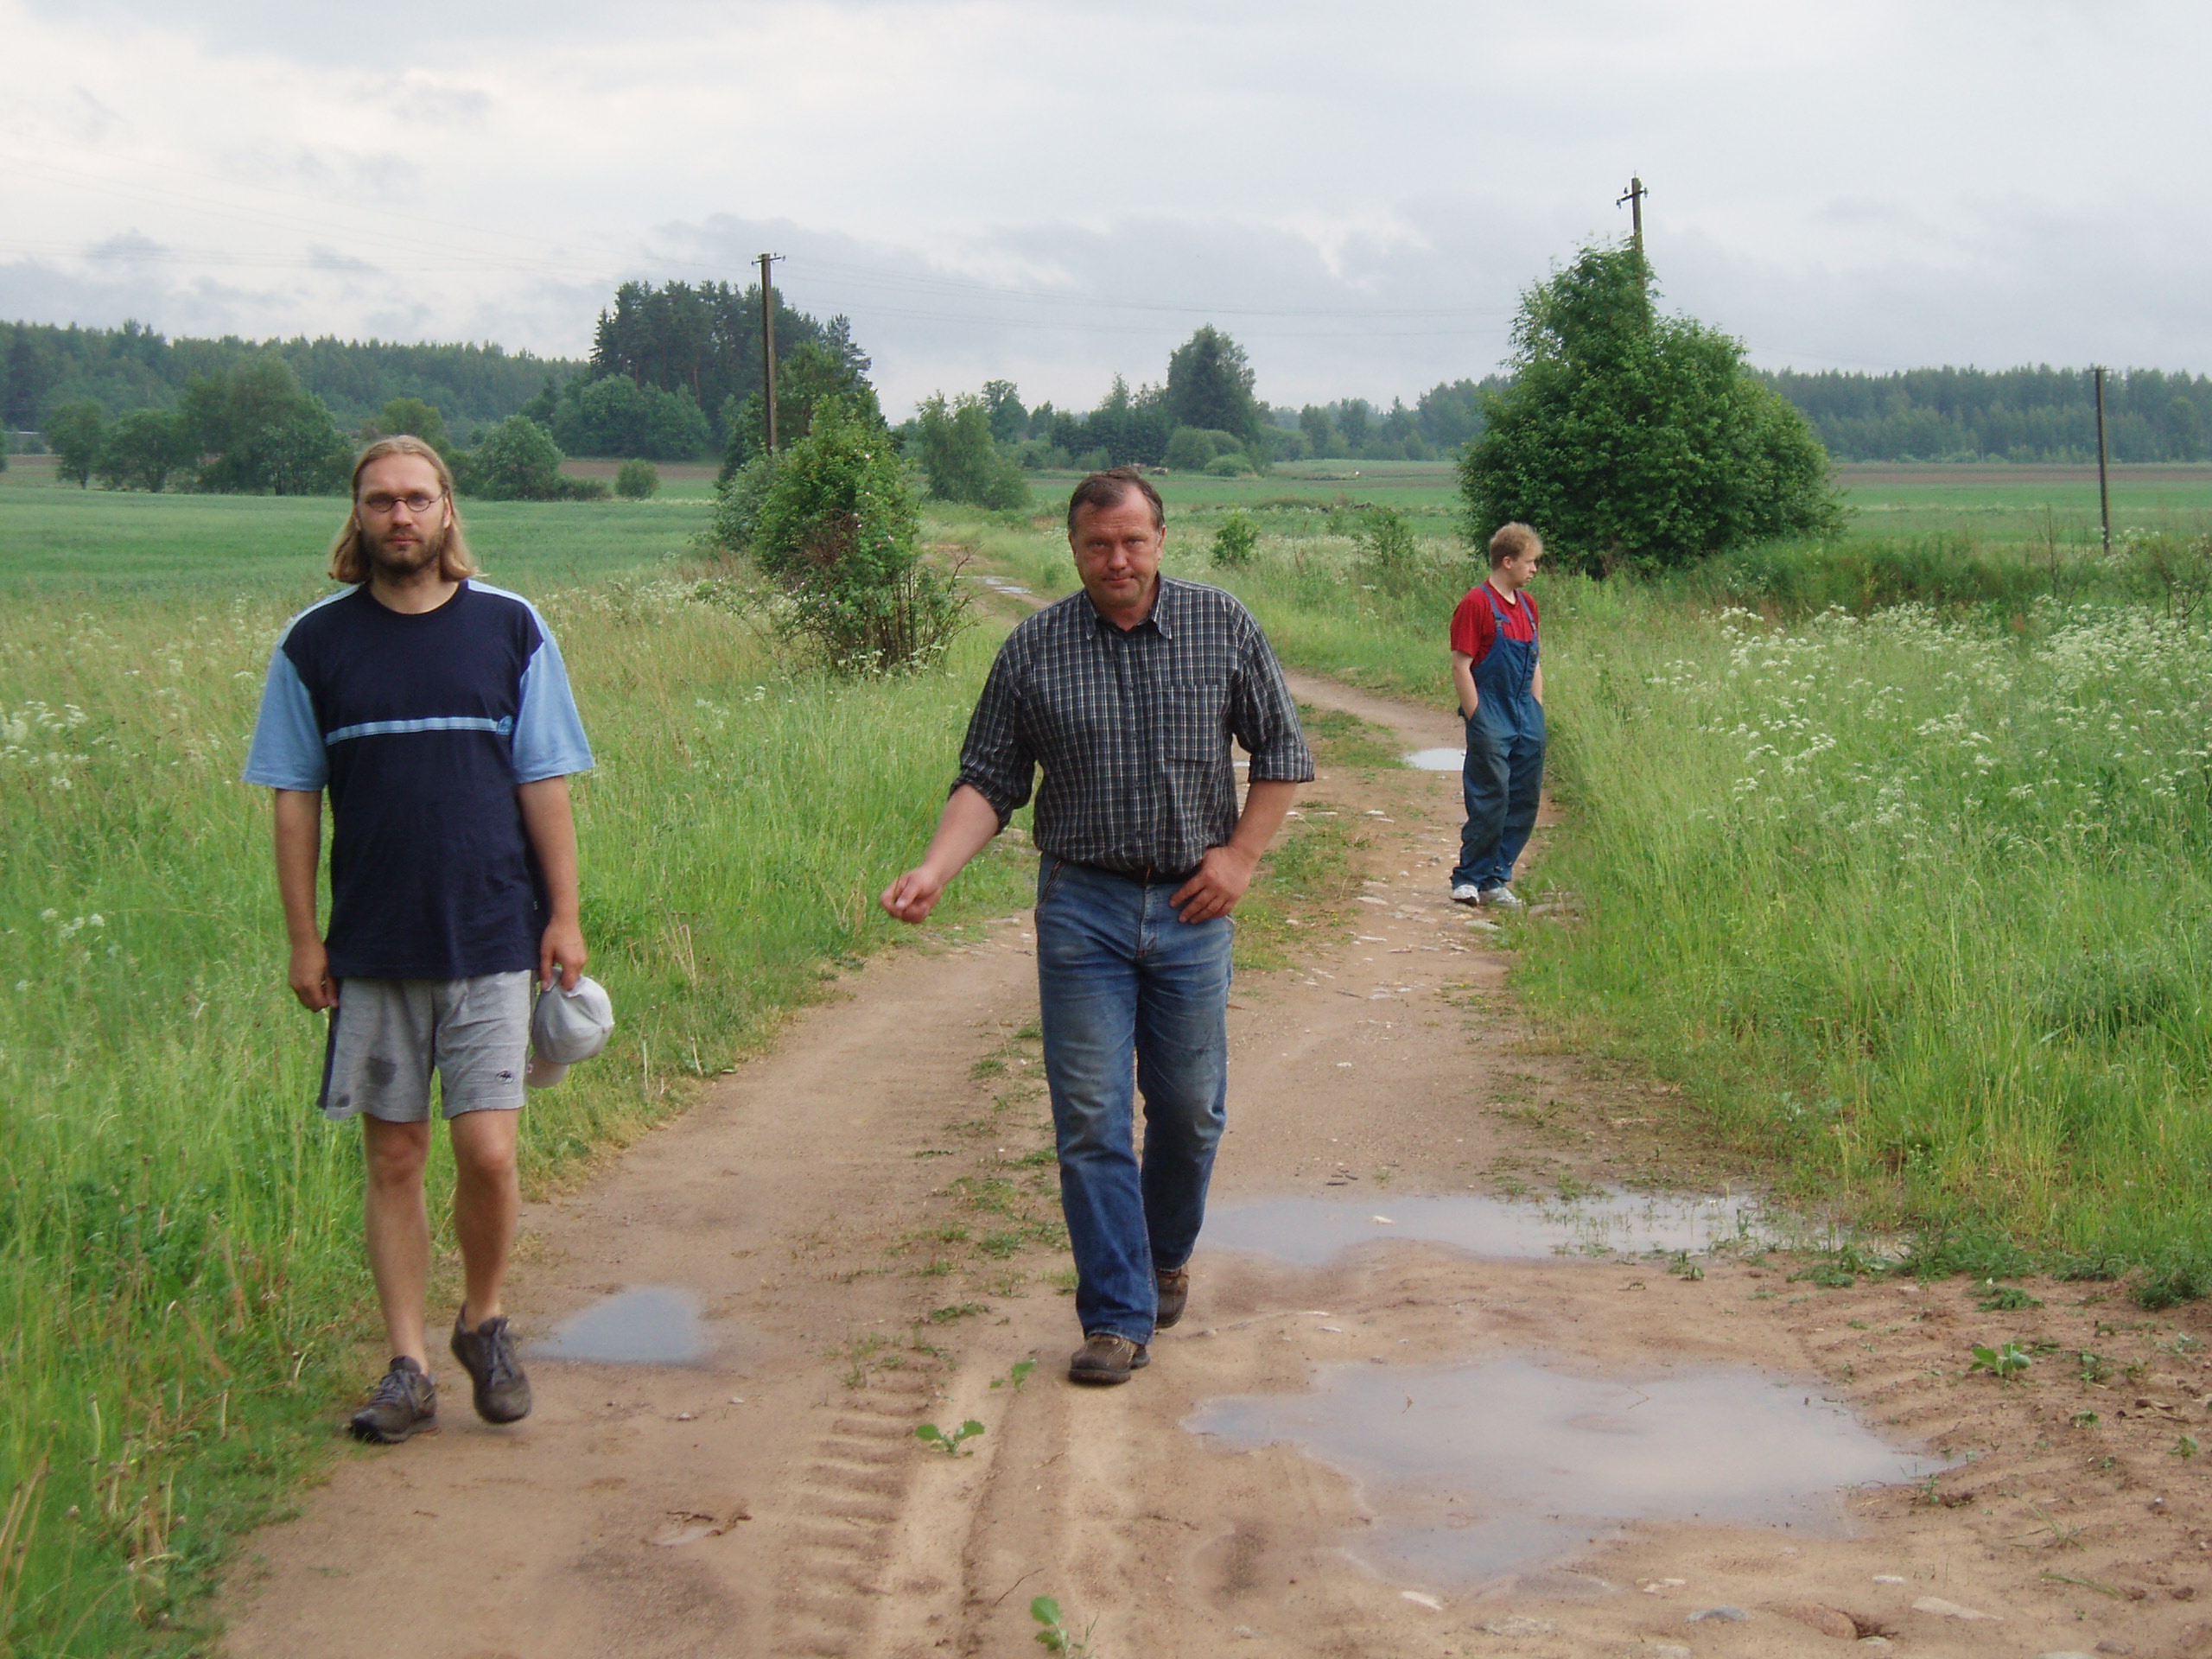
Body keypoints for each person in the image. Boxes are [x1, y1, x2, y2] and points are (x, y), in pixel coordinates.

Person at [881, 468, 1313, 1386]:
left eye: (1132, 541)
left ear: (1160, 539)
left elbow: (1281, 751)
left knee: (1190, 1113)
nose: (1115, 559)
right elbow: (990, 780)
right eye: (1096, 544)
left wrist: (1237, 858)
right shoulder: (1034, 648)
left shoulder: (1221, 624)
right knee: (1090, 1118)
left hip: (1193, 909)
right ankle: (1115, 1314)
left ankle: (1162, 1257)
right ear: (1072, 548)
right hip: (1082, 907)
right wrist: (933, 868)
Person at [243, 435, 594, 1444]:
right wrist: (304, 939)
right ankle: (405, 1367)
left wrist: (563, 916)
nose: (400, 517)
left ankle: (482, 1320)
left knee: (486, 1151)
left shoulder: (511, 628)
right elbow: (294, 804)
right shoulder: (314, 645)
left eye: (417, 500)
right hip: (373, 945)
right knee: (393, 1157)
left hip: (492, 934)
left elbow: (544, 783)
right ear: (356, 517)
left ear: (448, 511)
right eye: (380, 501)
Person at [1448, 522, 1546, 908]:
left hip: (1525, 712)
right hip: (1491, 712)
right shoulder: (1476, 603)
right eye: (1529, 562)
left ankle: (1496, 878)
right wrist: (1478, 718)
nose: (1534, 569)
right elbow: (1461, 665)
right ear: (1507, 562)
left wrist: (1536, 709)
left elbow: (1536, 662)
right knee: (1491, 797)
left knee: (1523, 799)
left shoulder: (1528, 606)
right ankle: (1469, 877)